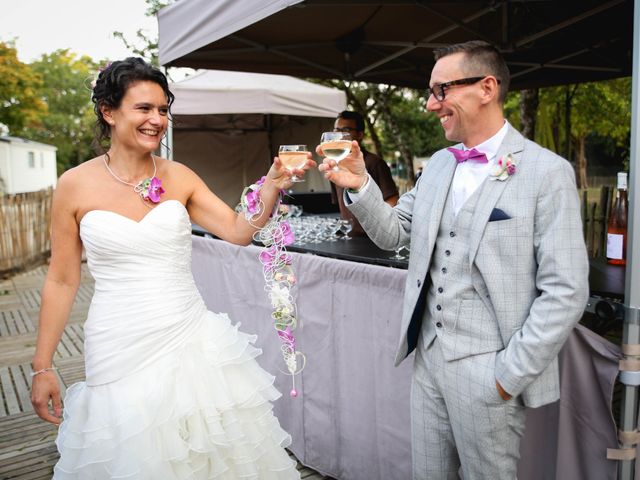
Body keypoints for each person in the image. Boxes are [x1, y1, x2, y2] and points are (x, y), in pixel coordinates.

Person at [29, 57, 313, 479]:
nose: (157, 120)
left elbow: (237, 230)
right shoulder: (74, 184)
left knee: (209, 453)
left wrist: (270, 183)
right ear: (109, 111)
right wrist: (42, 365)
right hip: (117, 345)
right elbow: (62, 278)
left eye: (163, 110)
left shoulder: (180, 176)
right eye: (143, 108)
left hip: (190, 338)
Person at [319, 41, 589, 479]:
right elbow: (392, 233)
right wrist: (359, 184)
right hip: (428, 363)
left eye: (441, 90)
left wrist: (506, 375)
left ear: (486, 87)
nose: (430, 104)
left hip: (490, 369)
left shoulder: (547, 172)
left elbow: (567, 290)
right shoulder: (439, 166)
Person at [329, 110, 398, 237]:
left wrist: (378, 223)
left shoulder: (374, 163)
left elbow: (393, 201)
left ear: (360, 135)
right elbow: (340, 207)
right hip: (348, 237)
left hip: (374, 239)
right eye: (336, 130)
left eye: (345, 130)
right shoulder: (335, 165)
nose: (338, 135)